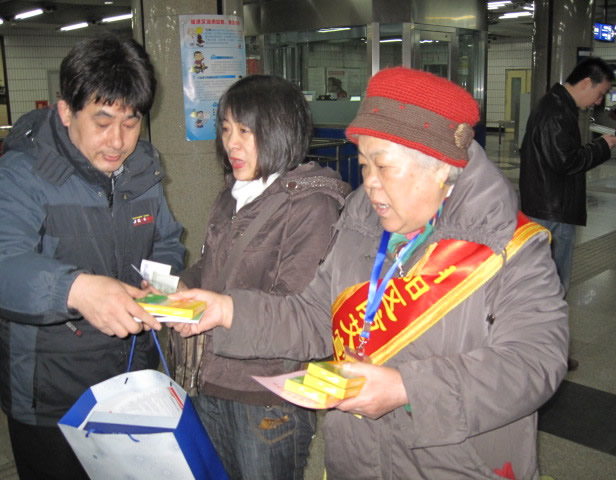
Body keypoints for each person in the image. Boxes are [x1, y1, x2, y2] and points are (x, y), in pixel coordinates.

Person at [170, 67, 569, 480]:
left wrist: (407, 388)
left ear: (440, 168)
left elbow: (535, 360)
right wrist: (227, 311)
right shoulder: (358, 227)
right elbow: (313, 317)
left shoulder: (509, 247)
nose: (370, 184)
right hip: (357, 460)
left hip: (458, 465)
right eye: (363, 165)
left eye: (384, 166)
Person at [0, 35, 185, 479]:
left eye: (131, 122)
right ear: (66, 111)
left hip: (130, 380)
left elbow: (166, 239)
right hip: (51, 396)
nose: (117, 141)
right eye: (102, 122)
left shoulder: (142, 168)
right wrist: (76, 290)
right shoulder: (22, 173)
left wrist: (159, 284)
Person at [175, 74, 350, 480]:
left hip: (266, 397)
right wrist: (183, 284)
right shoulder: (233, 193)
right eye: (226, 129)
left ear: (281, 132)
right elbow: (214, 267)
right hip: (210, 379)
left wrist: (224, 309)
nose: (231, 144)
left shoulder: (312, 206)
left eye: (246, 131)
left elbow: (301, 312)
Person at [519, 57, 616, 295]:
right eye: (600, 94)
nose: (598, 101)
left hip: (548, 204)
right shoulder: (557, 111)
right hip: (552, 210)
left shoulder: (557, 106)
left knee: (543, 281)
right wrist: (602, 146)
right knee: (552, 284)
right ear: (586, 83)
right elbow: (567, 162)